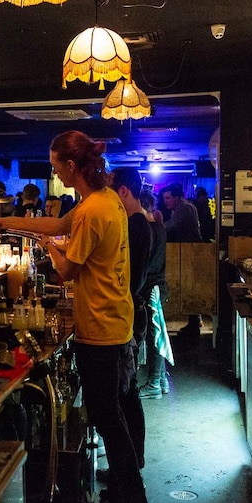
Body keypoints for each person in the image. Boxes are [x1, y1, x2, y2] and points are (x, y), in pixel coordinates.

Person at [0, 130, 148, 503]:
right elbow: (59, 226)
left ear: (71, 166)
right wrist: (7, 222)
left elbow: (68, 272)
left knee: (107, 416)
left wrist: (49, 252)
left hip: (100, 325)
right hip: (115, 318)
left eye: (56, 165)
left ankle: (133, 498)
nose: (55, 172)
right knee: (111, 413)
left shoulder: (93, 210)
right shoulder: (104, 199)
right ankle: (129, 494)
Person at [108, 167, 151, 472]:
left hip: (130, 313)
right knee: (127, 390)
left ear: (123, 192)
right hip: (133, 311)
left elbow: (130, 280)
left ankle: (130, 466)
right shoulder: (139, 223)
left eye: (112, 191)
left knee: (125, 392)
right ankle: (133, 462)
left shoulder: (135, 225)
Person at [137, 189, 173, 399]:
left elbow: (147, 265)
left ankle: (153, 384)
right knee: (157, 334)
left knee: (154, 335)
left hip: (151, 287)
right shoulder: (159, 227)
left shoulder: (149, 229)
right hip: (158, 286)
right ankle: (160, 380)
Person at [161, 183, 203, 335]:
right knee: (190, 286)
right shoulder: (182, 208)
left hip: (191, 251)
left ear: (177, 197)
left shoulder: (183, 209)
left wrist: (155, 229)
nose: (166, 201)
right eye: (164, 198)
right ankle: (195, 320)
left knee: (190, 286)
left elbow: (172, 226)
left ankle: (194, 322)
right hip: (189, 251)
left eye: (168, 198)